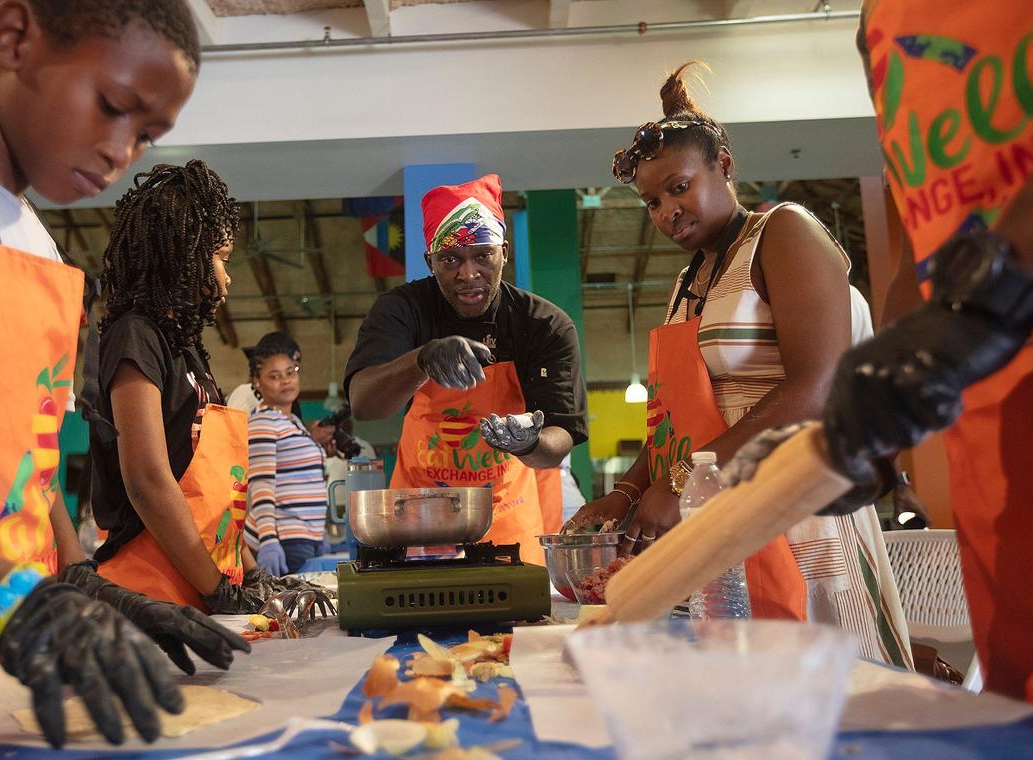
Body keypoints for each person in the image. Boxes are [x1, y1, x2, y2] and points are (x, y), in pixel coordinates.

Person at [0, 1, 252, 751]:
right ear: (13, 37)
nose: (123, 150)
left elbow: (28, 466)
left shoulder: (43, 254)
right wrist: (15, 599)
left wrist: (79, 578)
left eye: (146, 134)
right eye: (114, 107)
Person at [566, 63, 911, 667]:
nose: (666, 210)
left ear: (723, 166)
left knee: (834, 696)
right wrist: (625, 491)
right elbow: (675, 414)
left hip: (797, 505)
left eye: (678, 187)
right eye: (651, 201)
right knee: (746, 693)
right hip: (723, 514)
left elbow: (818, 384)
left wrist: (683, 483)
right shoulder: (687, 280)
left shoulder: (784, 233)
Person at [814, 0, 1033, 700]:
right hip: (990, 440)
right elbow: (923, 238)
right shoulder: (880, 20)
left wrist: (992, 290)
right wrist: (871, 419)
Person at [345, 174, 588, 565]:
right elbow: (364, 404)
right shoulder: (402, 311)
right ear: (430, 261)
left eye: (483, 255)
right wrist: (420, 359)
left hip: (506, 513)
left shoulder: (543, 324)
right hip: (419, 514)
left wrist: (527, 443)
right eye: (450, 259)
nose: (468, 273)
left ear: (504, 252)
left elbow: (560, 436)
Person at [88, 160, 273, 615]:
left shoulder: (185, 348)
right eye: (222, 259)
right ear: (183, 254)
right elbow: (148, 482)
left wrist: (249, 570)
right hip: (154, 588)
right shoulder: (136, 336)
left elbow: (213, 492)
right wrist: (217, 589)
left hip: (202, 580)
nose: (227, 278)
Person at [243, 334, 331, 575]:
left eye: (290, 372)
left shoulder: (293, 422)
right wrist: (269, 540)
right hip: (282, 539)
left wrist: (318, 531)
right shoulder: (262, 422)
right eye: (274, 376)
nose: (285, 380)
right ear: (257, 382)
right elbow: (261, 485)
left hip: (303, 538)